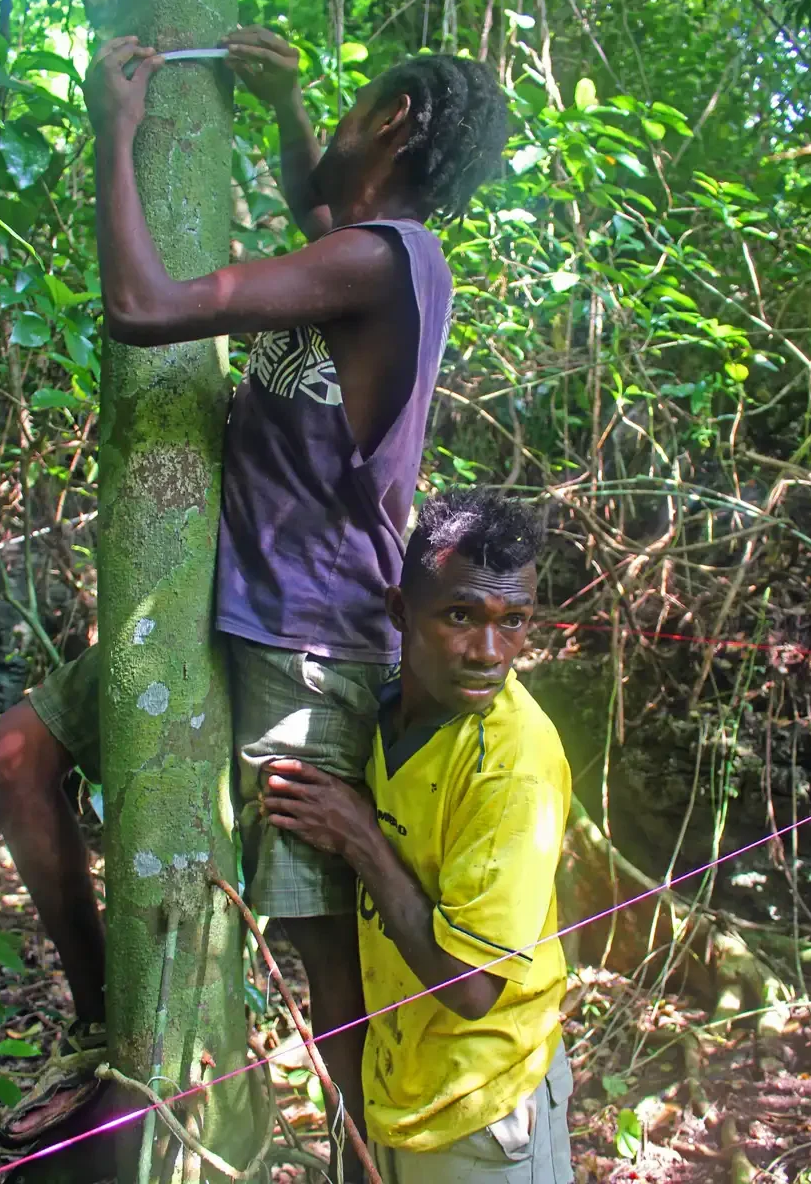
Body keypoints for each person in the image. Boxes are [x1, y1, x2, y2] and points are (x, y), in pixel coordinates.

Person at [0, 27, 509, 1177]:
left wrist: (115, 129)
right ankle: (109, 1037)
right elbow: (320, 228)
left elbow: (143, 304)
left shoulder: (391, 259)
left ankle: (359, 1164)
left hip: (314, 642)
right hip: (211, 600)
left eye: (358, 107)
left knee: (322, 961)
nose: (341, 121)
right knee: (14, 755)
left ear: (398, 124)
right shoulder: (364, 259)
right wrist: (287, 112)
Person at [263, 488, 574, 1183]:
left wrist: (359, 838)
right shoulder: (377, 711)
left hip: (482, 1106)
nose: (488, 652)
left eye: (513, 622)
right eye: (460, 616)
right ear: (401, 610)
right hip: (396, 1080)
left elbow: (473, 988)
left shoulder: (513, 766)